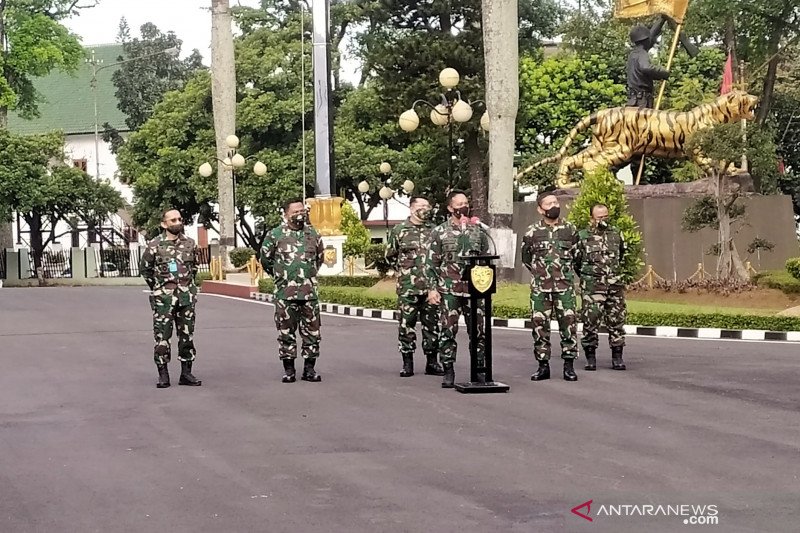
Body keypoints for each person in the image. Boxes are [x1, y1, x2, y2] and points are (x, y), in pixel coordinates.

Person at [425, 190, 489, 388]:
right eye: (459, 203)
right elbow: (431, 263)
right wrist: (432, 289)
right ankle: (448, 369)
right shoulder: (440, 232)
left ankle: (479, 369)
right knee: (447, 331)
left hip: (474, 290)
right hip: (449, 289)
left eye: (466, 202)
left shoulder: (477, 230)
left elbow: (486, 256)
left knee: (478, 332)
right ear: (450, 208)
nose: (464, 206)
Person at [260, 197, 324, 383]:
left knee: (312, 333)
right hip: (285, 295)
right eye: (295, 212)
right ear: (286, 214)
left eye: (301, 211)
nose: (299, 214)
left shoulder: (313, 234)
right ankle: (289, 371)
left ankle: (309, 370)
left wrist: (307, 277)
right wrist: (280, 276)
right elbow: (265, 260)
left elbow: (319, 259)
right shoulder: (275, 235)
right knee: (286, 333)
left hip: (309, 294)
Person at [521, 192, 580, 382]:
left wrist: (566, 274)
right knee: (539, 326)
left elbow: (578, 257)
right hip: (541, 288)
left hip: (565, 288)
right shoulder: (532, 232)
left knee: (569, 325)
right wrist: (541, 275)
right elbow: (526, 259)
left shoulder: (570, 230)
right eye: (549, 203)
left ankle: (569, 366)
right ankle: (542, 365)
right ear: (540, 209)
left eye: (556, 202)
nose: (554, 205)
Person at [140, 208, 202, 389]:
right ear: (164, 224)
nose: (177, 222)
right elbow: (146, 270)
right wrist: (159, 288)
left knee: (187, 336)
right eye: (173, 220)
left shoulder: (190, 244)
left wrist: (187, 288)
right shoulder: (154, 245)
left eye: (179, 219)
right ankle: (163, 374)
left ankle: (186, 373)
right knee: (162, 337)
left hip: (186, 298)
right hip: (164, 300)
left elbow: (194, 269)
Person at [385, 196, 444, 377]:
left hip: (431, 287)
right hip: (408, 287)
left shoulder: (435, 231)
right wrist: (406, 272)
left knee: (432, 325)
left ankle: (432, 362)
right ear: (411, 209)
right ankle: (407, 362)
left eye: (428, 206)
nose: (425, 209)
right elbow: (390, 255)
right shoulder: (399, 230)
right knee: (406, 325)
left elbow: (440, 257)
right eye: (421, 206)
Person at [576, 203, 627, 371]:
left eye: (605, 216)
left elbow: (621, 255)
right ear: (592, 218)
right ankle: (590, 357)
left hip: (614, 286)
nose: (603, 220)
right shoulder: (583, 236)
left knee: (617, 321)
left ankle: (617, 357)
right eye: (599, 217)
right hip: (592, 287)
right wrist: (588, 277)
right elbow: (576, 261)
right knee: (590, 321)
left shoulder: (616, 234)